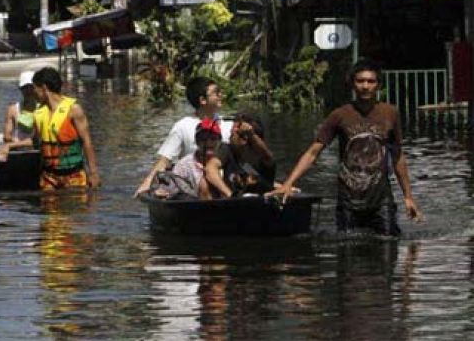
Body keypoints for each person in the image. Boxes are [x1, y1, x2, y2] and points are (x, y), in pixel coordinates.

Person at [269, 59, 423, 236]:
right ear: (352, 84)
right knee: (348, 252)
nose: (365, 86)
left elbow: (397, 156)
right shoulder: (340, 115)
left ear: (378, 85)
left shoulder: (390, 113)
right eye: (360, 81)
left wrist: (408, 197)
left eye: (371, 81)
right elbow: (313, 152)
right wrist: (288, 184)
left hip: (381, 200)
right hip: (348, 200)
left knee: (389, 249)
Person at [135, 77, 232, 197]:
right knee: (203, 184)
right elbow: (165, 160)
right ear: (202, 100)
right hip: (194, 186)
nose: (221, 95)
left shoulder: (229, 125)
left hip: (224, 181)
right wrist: (147, 183)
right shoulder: (183, 126)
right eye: (216, 93)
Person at [31, 67, 100, 189]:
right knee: (49, 206)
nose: (33, 92)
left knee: (76, 206)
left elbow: (87, 142)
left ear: (44, 88)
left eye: (35, 88)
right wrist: (10, 145)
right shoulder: (38, 113)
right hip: (49, 176)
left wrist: (93, 173)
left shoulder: (73, 110)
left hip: (74, 175)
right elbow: (35, 141)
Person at [204, 113, 276, 198]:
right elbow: (210, 169)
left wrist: (251, 134)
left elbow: (268, 156)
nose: (230, 135)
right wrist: (230, 195)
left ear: (244, 138)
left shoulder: (261, 157)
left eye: (232, 134)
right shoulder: (227, 150)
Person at [150, 118, 223, 199]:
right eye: (204, 139)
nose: (209, 143)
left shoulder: (225, 160)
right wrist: (161, 192)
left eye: (213, 139)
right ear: (197, 142)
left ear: (219, 141)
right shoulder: (184, 165)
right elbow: (169, 189)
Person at [0, 70, 38, 162]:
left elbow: (38, 140)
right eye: (25, 88)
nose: (29, 91)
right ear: (20, 89)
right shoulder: (13, 109)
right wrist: (16, 143)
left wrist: (12, 144)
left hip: (36, 150)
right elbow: (6, 136)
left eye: (31, 87)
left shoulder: (42, 109)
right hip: (18, 151)